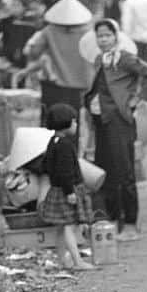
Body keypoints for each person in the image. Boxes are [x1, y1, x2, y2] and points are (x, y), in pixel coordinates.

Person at [83, 19, 147, 241]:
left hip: (119, 120)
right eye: (100, 36)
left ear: (115, 37)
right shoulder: (99, 60)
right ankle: (112, 219)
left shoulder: (124, 58)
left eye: (107, 35)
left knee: (124, 172)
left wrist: (137, 99)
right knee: (105, 172)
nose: (103, 40)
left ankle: (130, 223)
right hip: (101, 122)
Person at [39, 103, 97, 271]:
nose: (76, 124)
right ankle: (77, 261)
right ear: (65, 123)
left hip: (56, 190)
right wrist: (70, 191)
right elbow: (65, 171)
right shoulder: (65, 145)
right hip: (67, 190)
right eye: (74, 121)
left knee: (61, 227)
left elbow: (47, 166)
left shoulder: (53, 142)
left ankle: (62, 260)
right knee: (69, 227)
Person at [24, 0, 95, 126]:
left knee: (50, 123)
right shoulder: (89, 33)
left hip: (54, 84)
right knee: (72, 123)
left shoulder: (49, 31)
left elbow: (34, 53)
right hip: (80, 85)